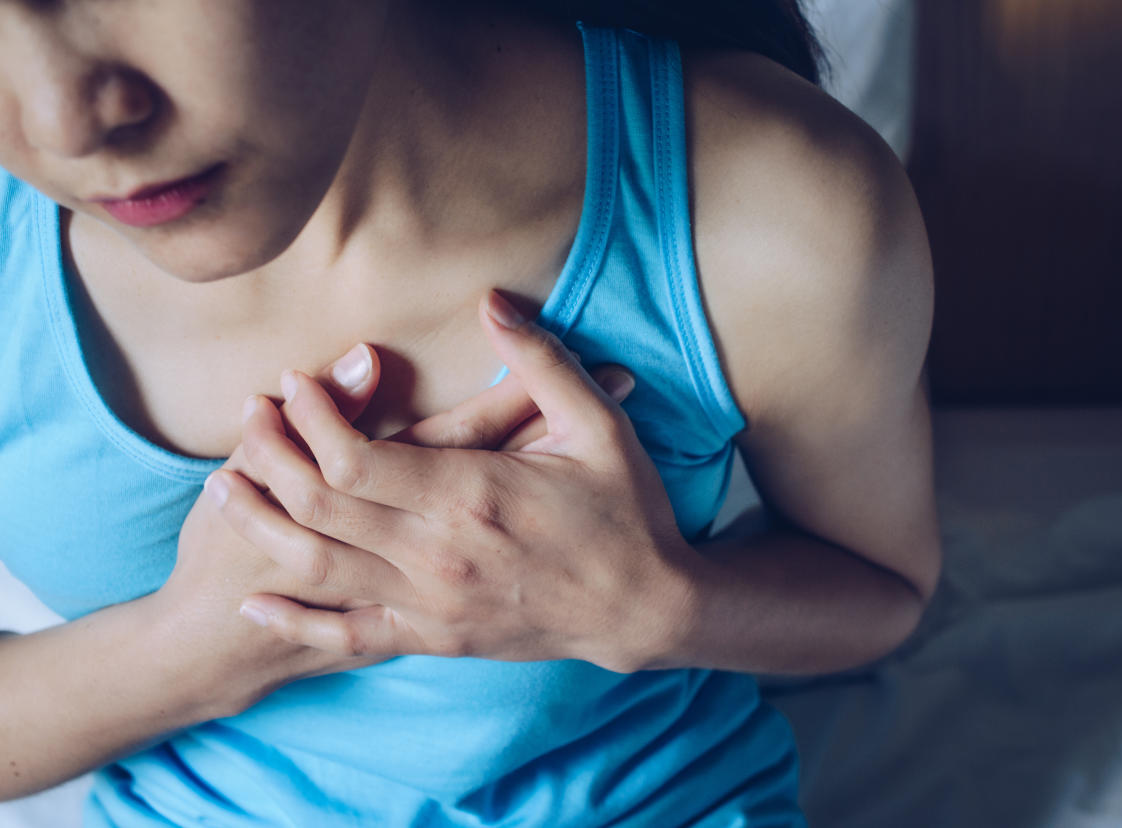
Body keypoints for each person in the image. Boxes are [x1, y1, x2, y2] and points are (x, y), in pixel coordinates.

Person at [0, 0, 940, 824]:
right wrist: (197, 645)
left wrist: (653, 608)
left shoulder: (771, 206)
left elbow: (883, 592)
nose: (65, 123)